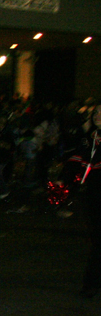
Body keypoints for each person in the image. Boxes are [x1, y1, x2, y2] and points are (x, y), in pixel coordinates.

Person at [63, 105, 101, 298]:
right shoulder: (90, 137)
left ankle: (91, 283)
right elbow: (78, 158)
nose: (97, 116)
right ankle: (92, 282)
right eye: (95, 113)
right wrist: (67, 177)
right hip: (93, 195)